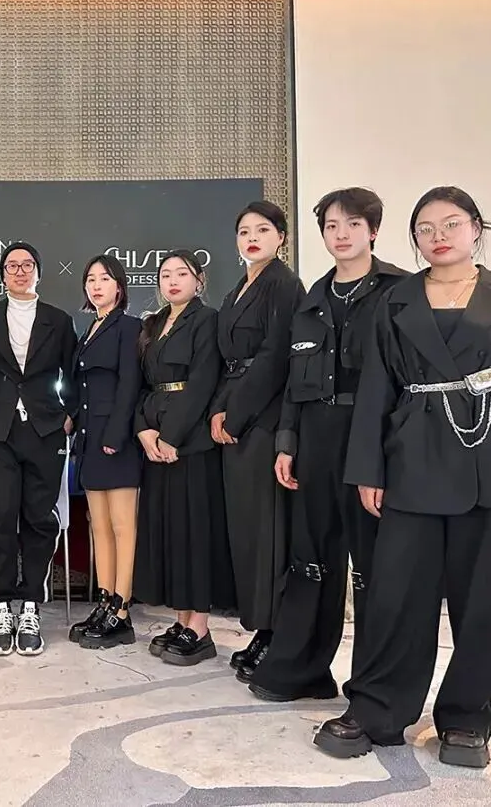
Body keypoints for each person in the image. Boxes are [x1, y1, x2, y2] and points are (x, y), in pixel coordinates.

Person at [315, 186, 491, 768]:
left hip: (488, 460)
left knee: (482, 598)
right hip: (410, 459)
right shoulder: (396, 300)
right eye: (425, 228)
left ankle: (467, 718)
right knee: (397, 592)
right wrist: (368, 469)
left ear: (476, 229)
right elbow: (376, 389)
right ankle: (378, 708)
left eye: (451, 224)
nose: (437, 236)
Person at [248, 189, 407, 702]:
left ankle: (373, 687)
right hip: (315, 437)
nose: (341, 234)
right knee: (311, 557)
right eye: (331, 226)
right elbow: (294, 383)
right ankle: (301, 671)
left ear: (373, 231)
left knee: (374, 565)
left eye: (353, 224)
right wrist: (287, 442)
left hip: (375, 439)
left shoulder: (400, 292)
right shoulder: (312, 299)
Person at [210, 201, 305, 682]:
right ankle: (258, 626)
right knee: (246, 530)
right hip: (235, 415)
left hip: (264, 418)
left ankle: (275, 633)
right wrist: (219, 409)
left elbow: (273, 358)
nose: (252, 238)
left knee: (268, 532)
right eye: (244, 230)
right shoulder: (235, 290)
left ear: (281, 237)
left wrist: (237, 413)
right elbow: (227, 360)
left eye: (263, 230)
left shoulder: (284, 284)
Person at [0, 242, 78, 656]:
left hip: (45, 430)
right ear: (1, 274)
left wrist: (69, 416)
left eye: (27, 265)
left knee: (39, 517)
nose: (19, 271)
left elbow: (74, 373)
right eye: (12, 265)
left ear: (38, 272)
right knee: (0, 515)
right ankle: (2, 605)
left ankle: (31, 604)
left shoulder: (58, 320)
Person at [133, 250, 230, 665]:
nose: (172, 281)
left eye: (182, 274)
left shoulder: (207, 320)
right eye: (165, 275)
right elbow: (142, 384)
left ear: (198, 280)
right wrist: (144, 430)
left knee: (195, 533)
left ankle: (200, 627)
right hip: (155, 441)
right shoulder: (153, 324)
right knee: (170, 533)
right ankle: (180, 618)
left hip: (191, 444)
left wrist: (172, 436)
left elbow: (204, 381)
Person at [67, 254, 143, 649]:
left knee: (121, 524)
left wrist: (116, 433)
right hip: (89, 437)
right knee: (98, 525)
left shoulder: (129, 327)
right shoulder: (89, 330)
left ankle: (122, 609)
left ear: (120, 286)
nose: (97, 286)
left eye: (105, 279)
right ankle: (104, 599)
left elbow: (130, 384)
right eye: (91, 279)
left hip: (116, 438)